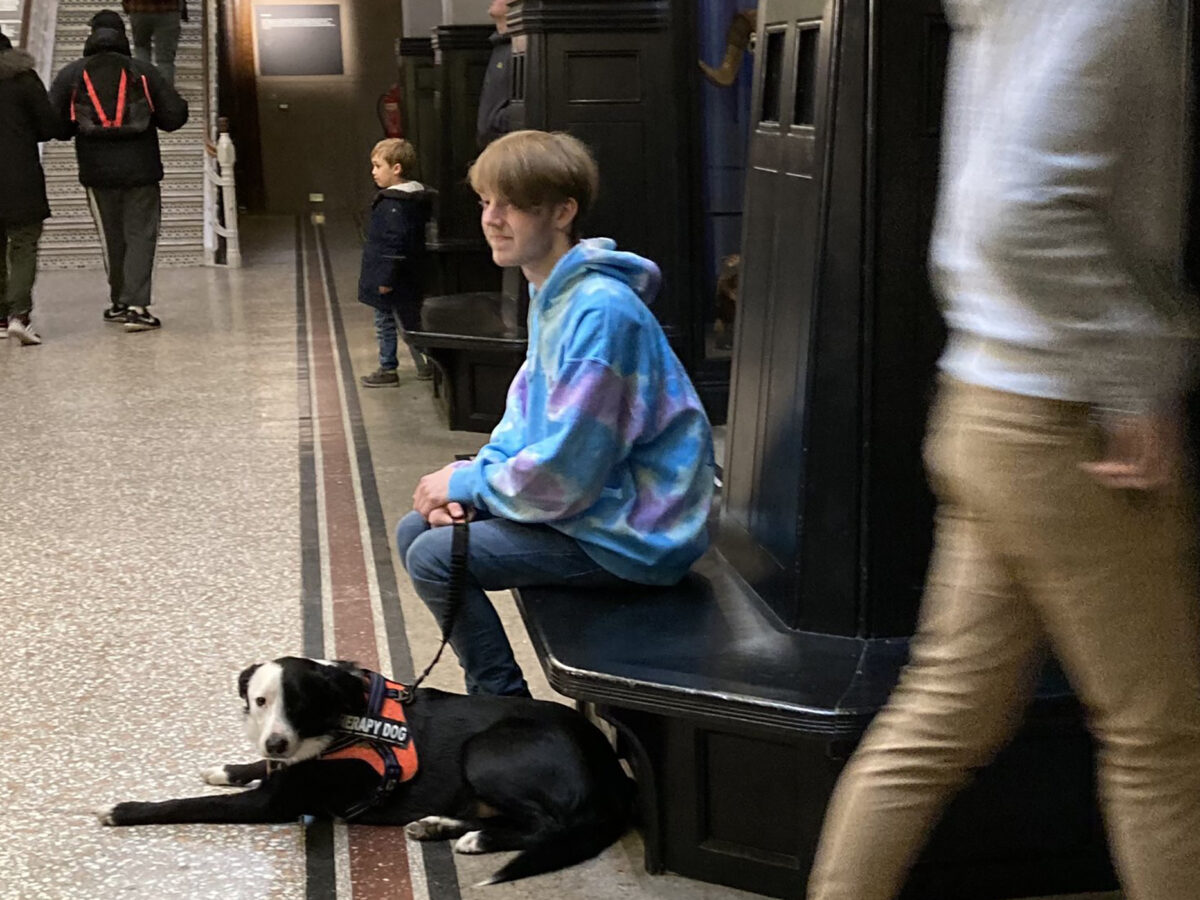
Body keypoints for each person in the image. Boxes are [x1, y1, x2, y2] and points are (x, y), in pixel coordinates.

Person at [807, 4, 1200, 899]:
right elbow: (1019, 210)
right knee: (1161, 738)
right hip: (1067, 422)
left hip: (987, 404)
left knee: (944, 714)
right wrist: (1135, 379)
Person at [396, 130, 715, 697]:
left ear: (563, 212)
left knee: (434, 559)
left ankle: (503, 708)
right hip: (598, 506)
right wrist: (470, 482)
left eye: (512, 203)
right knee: (415, 527)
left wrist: (471, 481)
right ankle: (499, 703)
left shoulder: (599, 313)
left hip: (639, 533)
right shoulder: (556, 294)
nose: (492, 218)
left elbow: (567, 473)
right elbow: (522, 420)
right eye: (485, 201)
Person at [48, 10, 187, 332]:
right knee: (141, 235)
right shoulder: (143, 71)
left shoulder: (71, 73)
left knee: (111, 238)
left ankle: (120, 302)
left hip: (96, 173)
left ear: (91, 35)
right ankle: (137, 307)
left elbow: (55, 125)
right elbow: (174, 118)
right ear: (122, 35)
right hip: (142, 170)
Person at [0, 32, 67, 346]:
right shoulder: (24, 79)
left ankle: (0, 317)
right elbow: (49, 126)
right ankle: (19, 315)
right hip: (19, 176)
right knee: (23, 243)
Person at [358, 138, 435, 387]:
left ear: (396, 168)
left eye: (377, 166)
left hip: (391, 278)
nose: (373, 172)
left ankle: (388, 367)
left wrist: (384, 279)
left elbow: (392, 245)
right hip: (408, 276)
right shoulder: (412, 200)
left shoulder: (393, 205)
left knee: (387, 323)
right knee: (408, 320)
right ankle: (425, 364)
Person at [476, 0, 512, 149]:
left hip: (507, 145)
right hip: (491, 145)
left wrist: (496, 122)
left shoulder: (519, 46)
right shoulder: (498, 45)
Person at [122, 0, 183, 87]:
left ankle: (144, 91)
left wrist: (127, 5)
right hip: (169, 9)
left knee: (141, 49)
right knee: (165, 60)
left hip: (139, 9)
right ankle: (166, 96)